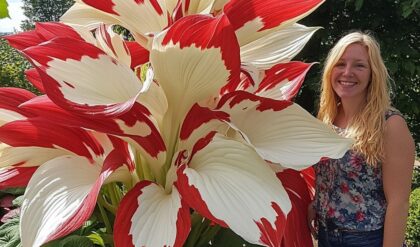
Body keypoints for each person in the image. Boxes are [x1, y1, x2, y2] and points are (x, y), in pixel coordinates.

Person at [307, 31, 415, 247]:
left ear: (372, 73)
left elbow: (399, 203)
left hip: (368, 240)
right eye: (340, 64)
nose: (347, 72)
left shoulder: (390, 125)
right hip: (327, 237)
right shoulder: (327, 119)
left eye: (359, 65)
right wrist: (316, 203)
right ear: (330, 70)